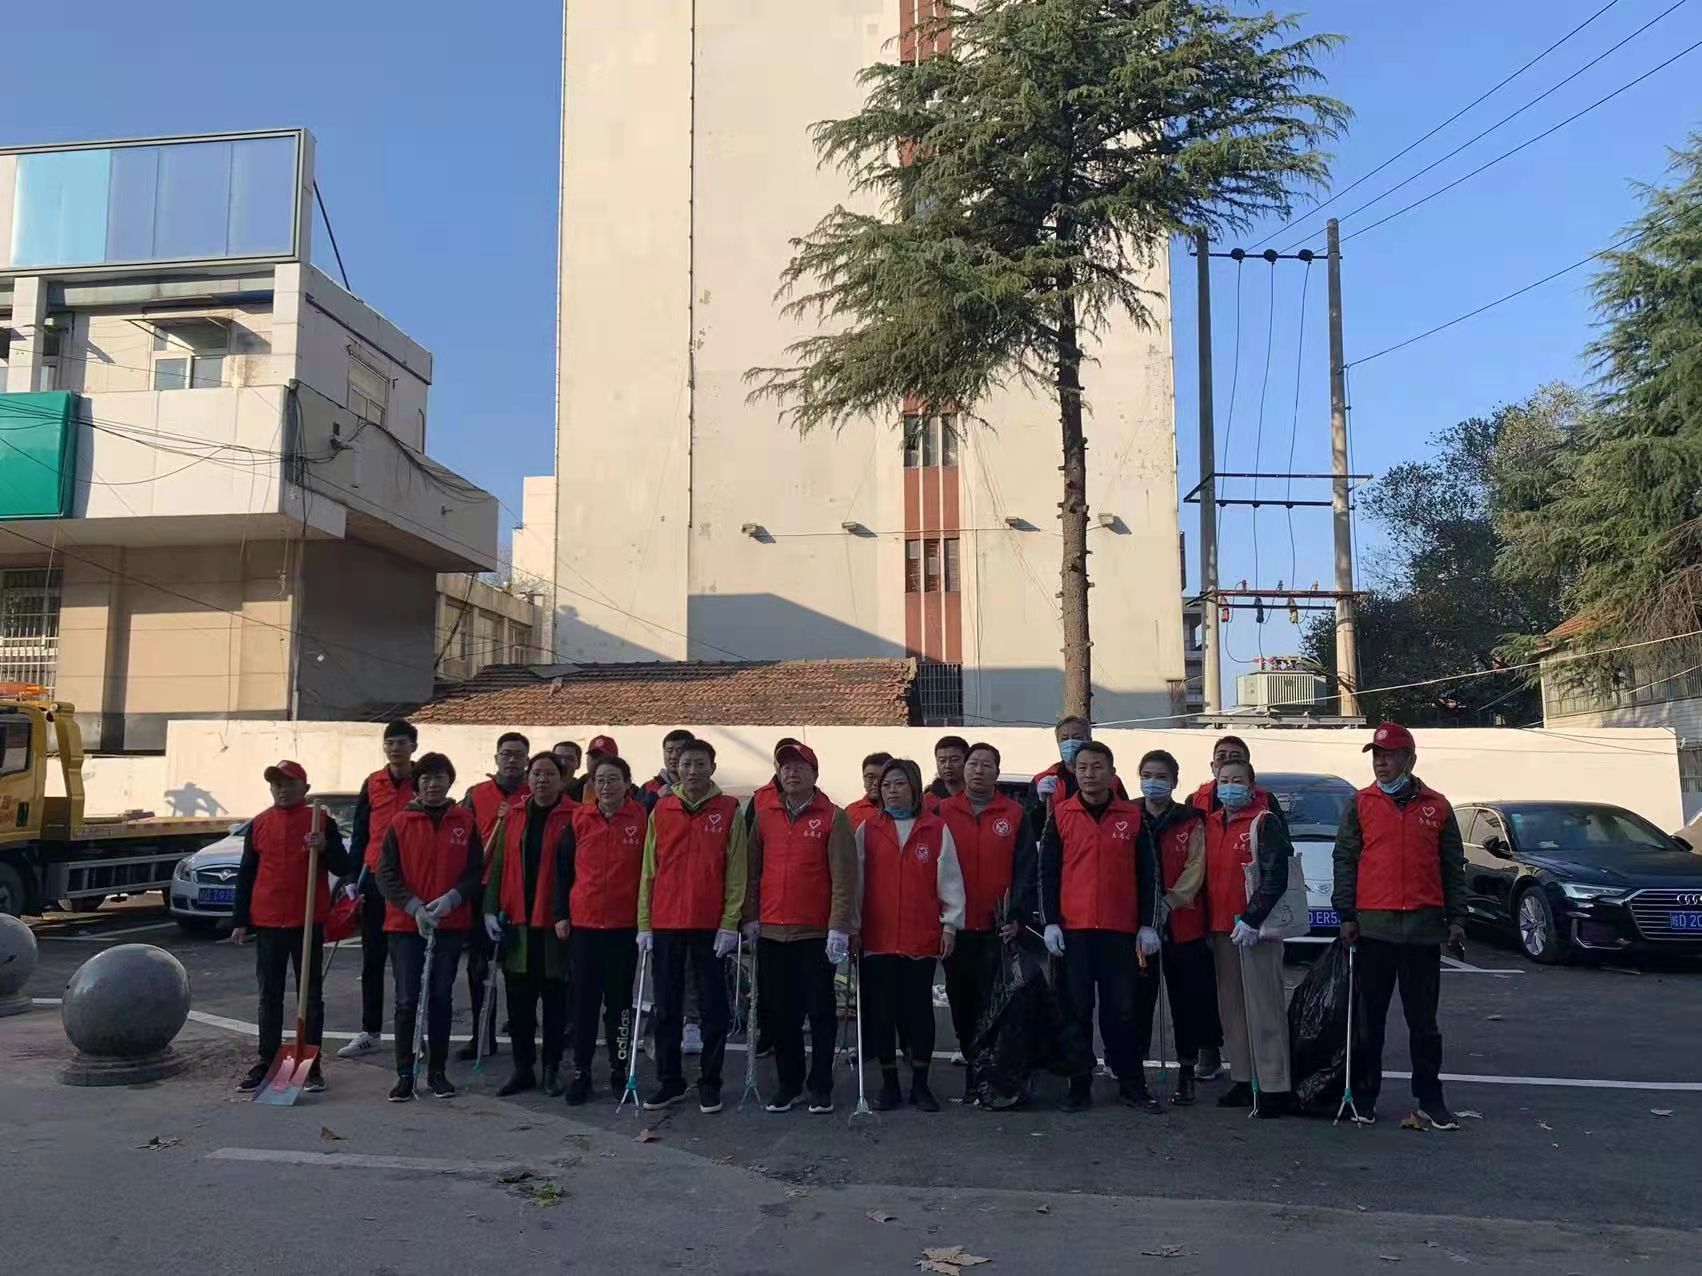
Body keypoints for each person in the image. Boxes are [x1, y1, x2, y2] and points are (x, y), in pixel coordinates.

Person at [1333, 722, 1467, 1131]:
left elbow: (1452, 867)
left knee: (1424, 1024)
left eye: (1389, 755)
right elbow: (1345, 859)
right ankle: (1364, 1097)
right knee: (1368, 1021)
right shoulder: (1360, 804)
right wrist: (1346, 914)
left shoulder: (1437, 806)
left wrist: (1457, 919)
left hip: (1423, 931)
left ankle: (1430, 1100)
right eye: (1376, 755)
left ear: (1410, 759)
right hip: (1374, 930)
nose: (1381, 762)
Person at [1038, 741, 1162, 1113]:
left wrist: (1148, 925)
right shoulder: (1061, 815)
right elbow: (1047, 873)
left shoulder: (1134, 816)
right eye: (1082, 768)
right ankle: (1079, 1084)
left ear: (1111, 773)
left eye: (1097, 767)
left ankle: (1131, 1084)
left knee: (1122, 1012)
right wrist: (1050, 922)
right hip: (1073, 932)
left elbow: (1149, 874)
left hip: (1120, 933)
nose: (1089, 774)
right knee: (1074, 1011)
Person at [741, 742, 856, 1114]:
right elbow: (752, 871)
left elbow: (843, 876)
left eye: (800, 767)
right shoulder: (765, 815)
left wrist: (839, 926)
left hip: (815, 933)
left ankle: (820, 1085)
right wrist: (750, 916)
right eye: (786, 767)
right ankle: (788, 1084)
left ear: (814, 774)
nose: (792, 773)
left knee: (820, 1011)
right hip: (772, 931)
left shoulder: (833, 817)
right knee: (780, 1012)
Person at [638, 738, 748, 1113]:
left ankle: (710, 1082)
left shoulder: (729, 809)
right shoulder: (662, 808)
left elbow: (736, 870)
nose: (693, 771)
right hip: (666, 920)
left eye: (700, 764)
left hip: (709, 923)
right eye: (686, 764)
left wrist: (730, 921)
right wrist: (644, 923)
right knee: (666, 1006)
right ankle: (670, 1081)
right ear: (676, 768)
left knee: (713, 1007)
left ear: (712, 768)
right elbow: (649, 870)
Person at [231, 761, 351, 1093]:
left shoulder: (320, 822)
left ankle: (310, 1063)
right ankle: (267, 1059)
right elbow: (247, 873)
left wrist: (324, 847)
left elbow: (344, 866)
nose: (282, 790)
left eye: (289, 784)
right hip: (268, 921)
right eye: (276, 784)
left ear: (305, 789)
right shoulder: (260, 823)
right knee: (269, 995)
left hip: (306, 921)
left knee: (310, 996)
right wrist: (240, 920)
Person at [855, 757, 965, 1112]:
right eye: (886, 785)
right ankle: (889, 1084)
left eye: (899, 784)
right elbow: (856, 883)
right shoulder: (868, 829)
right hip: (878, 937)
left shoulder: (935, 828)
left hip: (920, 935)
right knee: (882, 1012)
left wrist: (950, 924)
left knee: (918, 1012)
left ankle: (920, 1084)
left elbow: (950, 880)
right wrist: (852, 925)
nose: (892, 791)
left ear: (914, 788)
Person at [377, 753, 483, 1101]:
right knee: (408, 1000)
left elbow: (475, 871)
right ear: (417, 784)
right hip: (405, 926)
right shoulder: (400, 822)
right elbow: (385, 874)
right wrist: (413, 907)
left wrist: (452, 898)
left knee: (440, 997)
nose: (433, 784)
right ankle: (405, 1073)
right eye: (425, 778)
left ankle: (437, 1072)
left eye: (439, 778)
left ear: (449, 782)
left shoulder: (465, 821)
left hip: (449, 924)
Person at [934, 741, 1028, 1103]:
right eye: (973, 763)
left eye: (987, 765)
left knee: (996, 1005)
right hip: (956, 928)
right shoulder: (942, 811)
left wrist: (1016, 915)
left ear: (997, 773)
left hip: (997, 928)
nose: (978, 770)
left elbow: (1025, 870)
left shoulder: (1014, 813)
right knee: (962, 1002)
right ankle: (974, 1071)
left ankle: (994, 1076)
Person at [1202, 757, 1294, 1117]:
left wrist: (1254, 918)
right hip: (1222, 928)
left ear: (1252, 785)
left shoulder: (1264, 822)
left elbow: (1276, 874)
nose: (1230, 786)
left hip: (1257, 930)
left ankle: (1273, 1085)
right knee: (1232, 1010)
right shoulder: (1211, 822)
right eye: (1224, 779)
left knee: (1264, 1008)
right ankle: (1243, 1077)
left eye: (1237, 780)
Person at [555, 754, 649, 1104]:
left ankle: (619, 1067)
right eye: (600, 780)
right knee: (584, 1003)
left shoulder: (643, 819)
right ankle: (582, 1072)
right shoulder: (579, 819)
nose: (606, 787)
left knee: (620, 1004)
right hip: (584, 926)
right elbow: (563, 870)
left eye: (614, 780)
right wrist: (561, 914)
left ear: (627, 784)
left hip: (625, 927)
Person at [484, 753, 574, 1099]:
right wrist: (490, 909)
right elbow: (498, 865)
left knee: (554, 1004)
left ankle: (551, 1068)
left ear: (562, 780)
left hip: (554, 924)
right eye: (536, 773)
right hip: (517, 922)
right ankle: (522, 1069)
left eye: (550, 774)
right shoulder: (515, 814)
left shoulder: (575, 816)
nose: (542, 780)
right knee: (519, 1003)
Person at [1135, 749, 1221, 1105]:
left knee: (1187, 1002)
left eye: (1161, 777)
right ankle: (1133, 1071)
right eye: (1147, 775)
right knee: (1138, 1000)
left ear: (1173, 781)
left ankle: (1187, 1070)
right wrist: (1144, 909)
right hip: (1139, 925)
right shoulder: (1130, 815)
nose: (1153, 782)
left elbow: (1196, 867)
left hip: (1184, 922)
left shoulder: (1191, 820)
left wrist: (1169, 901)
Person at [338, 719, 417, 1060]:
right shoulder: (372, 783)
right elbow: (360, 832)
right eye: (390, 743)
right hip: (373, 879)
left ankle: (414, 1033)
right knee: (373, 959)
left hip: (411, 882)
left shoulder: (424, 780)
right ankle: (370, 1032)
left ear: (413, 746)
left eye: (401, 742)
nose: (395, 748)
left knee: (409, 961)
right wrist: (351, 877)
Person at [458, 732, 532, 1061]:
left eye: (518, 755)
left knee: (519, 970)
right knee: (479, 969)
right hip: (482, 889)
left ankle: (521, 1037)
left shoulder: (536, 792)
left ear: (526, 760)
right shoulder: (476, 794)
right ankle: (482, 1037)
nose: (511, 760)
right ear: (496, 758)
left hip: (520, 890)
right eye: (506, 754)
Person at [1031, 715, 1128, 815]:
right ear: (1058, 743)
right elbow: (1030, 821)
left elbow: (1126, 814)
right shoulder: (1042, 780)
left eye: (1077, 738)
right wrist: (1040, 802)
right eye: (1064, 739)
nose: (1070, 743)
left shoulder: (1112, 781)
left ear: (1089, 740)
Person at [1189, 735, 1284, 822]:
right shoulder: (1195, 800)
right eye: (1221, 757)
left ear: (1247, 767)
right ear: (1212, 766)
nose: (1227, 763)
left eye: (1235, 758)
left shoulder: (1267, 800)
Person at [844, 751, 892, 830]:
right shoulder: (851, 811)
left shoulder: (908, 810)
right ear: (863, 779)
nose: (876, 783)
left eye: (882, 777)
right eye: (870, 777)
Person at [643, 729, 696, 800]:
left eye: (679, 750)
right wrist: (656, 797)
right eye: (669, 751)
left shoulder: (704, 787)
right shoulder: (648, 787)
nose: (673, 756)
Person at [925, 735, 970, 810]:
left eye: (954, 760)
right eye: (942, 761)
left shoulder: (981, 797)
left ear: (967, 760)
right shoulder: (927, 802)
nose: (947, 766)